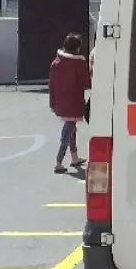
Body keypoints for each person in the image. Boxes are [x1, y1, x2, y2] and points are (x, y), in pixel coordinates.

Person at [48, 33, 90, 174]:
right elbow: (85, 83)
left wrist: (52, 102)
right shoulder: (79, 63)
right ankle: (58, 162)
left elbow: (51, 84)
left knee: (71, 130)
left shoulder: (56, 62)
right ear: (77, 48)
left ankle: (74, 157)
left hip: (60, 102)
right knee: (68, 131)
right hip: (74, 102)